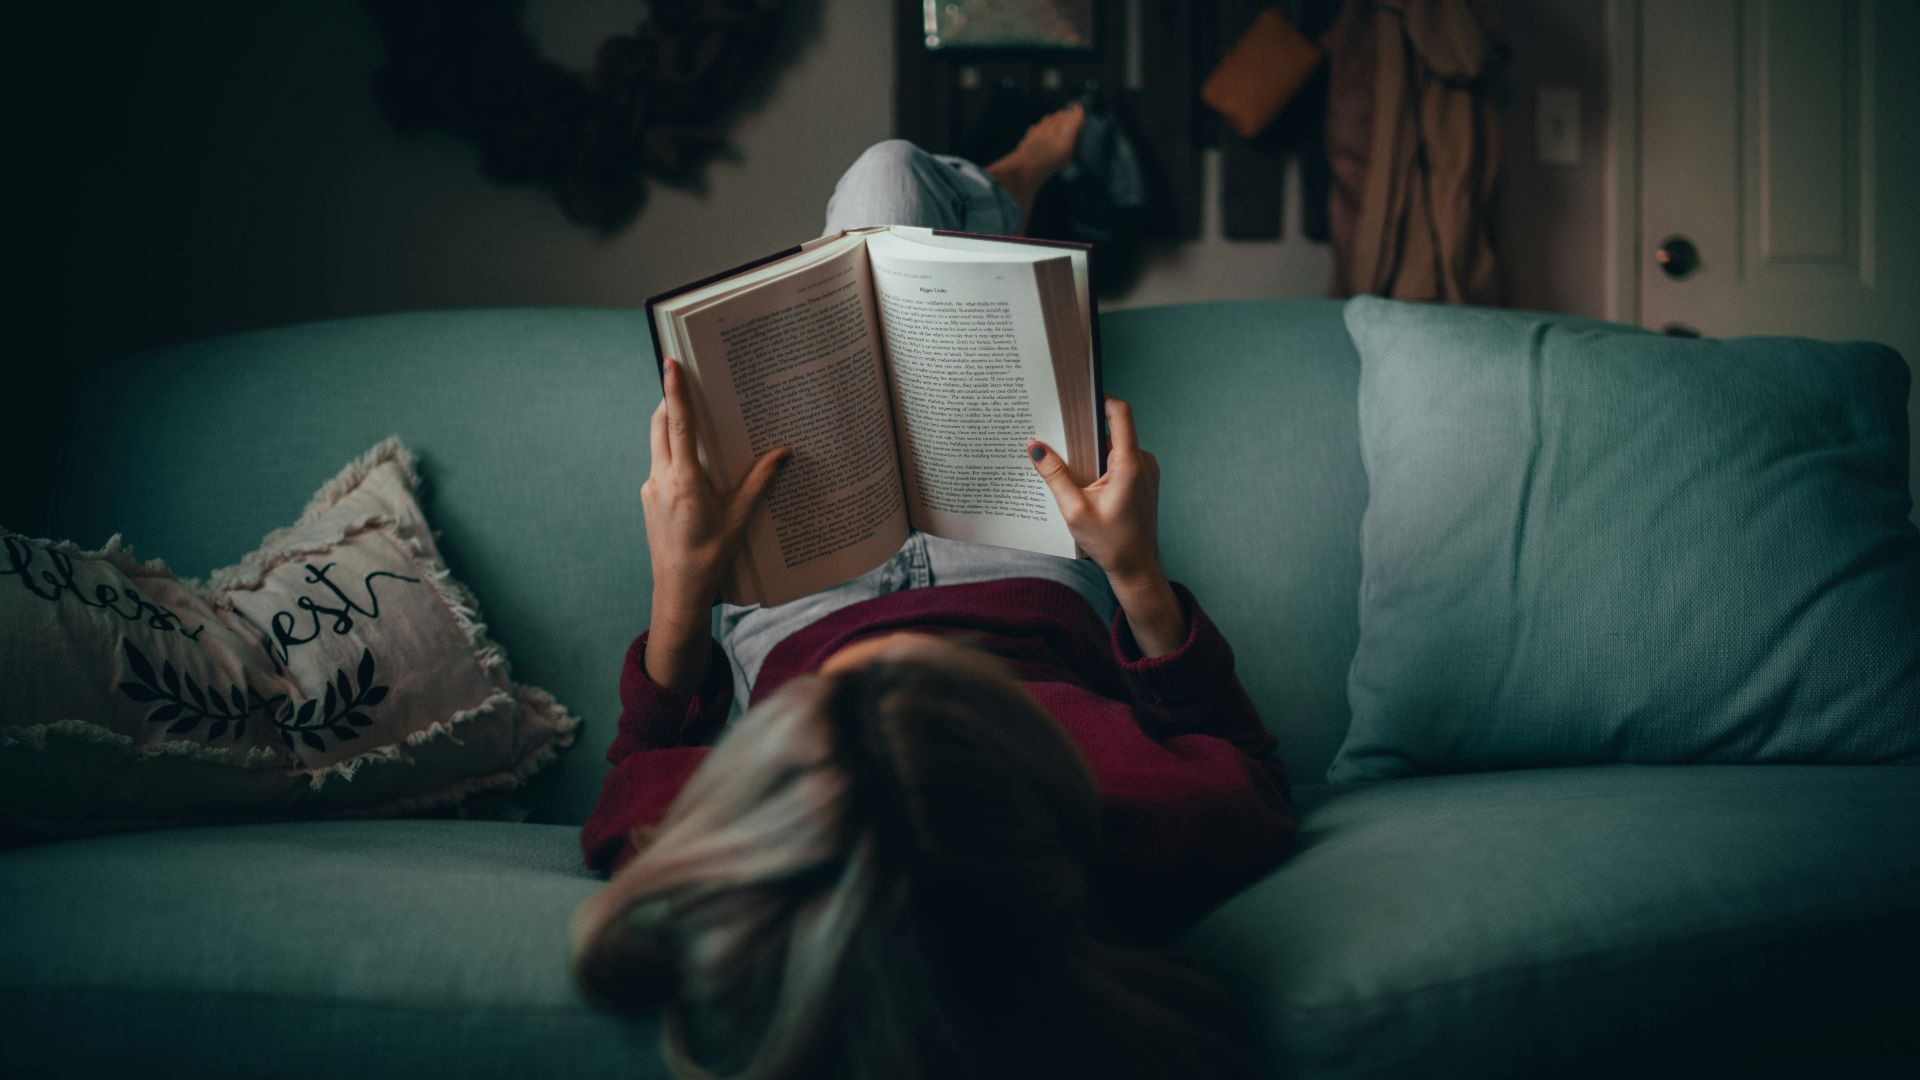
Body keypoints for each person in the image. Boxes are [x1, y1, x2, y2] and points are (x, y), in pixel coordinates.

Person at [569, 106, 1295, 1079]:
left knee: (880, 203)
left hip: (801, 600)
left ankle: (1011, 183)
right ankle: (1025, 174)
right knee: (896, 199)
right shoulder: (1134, 832)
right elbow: (1249, 762)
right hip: (1014, 570)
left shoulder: (744, 868)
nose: (894, 672)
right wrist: (1133, 571)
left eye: (842, 721)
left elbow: (636, 768)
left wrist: (683, 586)